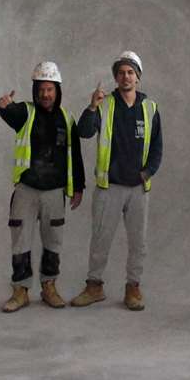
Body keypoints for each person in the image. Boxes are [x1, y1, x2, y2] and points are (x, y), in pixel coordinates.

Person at [0, 61, 92, 312]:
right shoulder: (25, 113)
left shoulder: (67, 119)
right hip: (27, 190)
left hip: (54, 192)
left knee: (53, 241)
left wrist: (78, 187)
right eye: (41, 89)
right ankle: (20, 290)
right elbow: (8, 111)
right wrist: (1, 104)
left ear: (57, 91)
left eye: (50, 89)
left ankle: (49, 286)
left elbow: (76, 156)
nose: (45, 94)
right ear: (35, 90)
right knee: (20, 241)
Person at [70, 51, 162, 311]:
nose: (126, 77)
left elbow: (157, 148)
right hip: (108, 188)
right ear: (116, 77)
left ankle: (133, 288)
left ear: (138, 77)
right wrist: (91, 107)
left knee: (138, 242)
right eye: (121, 72)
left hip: (138, 189)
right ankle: (94, 287)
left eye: (130, 72)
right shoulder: (105, 104)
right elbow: (83, 132)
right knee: (100, 238)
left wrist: (147, 173)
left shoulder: (150, 108)